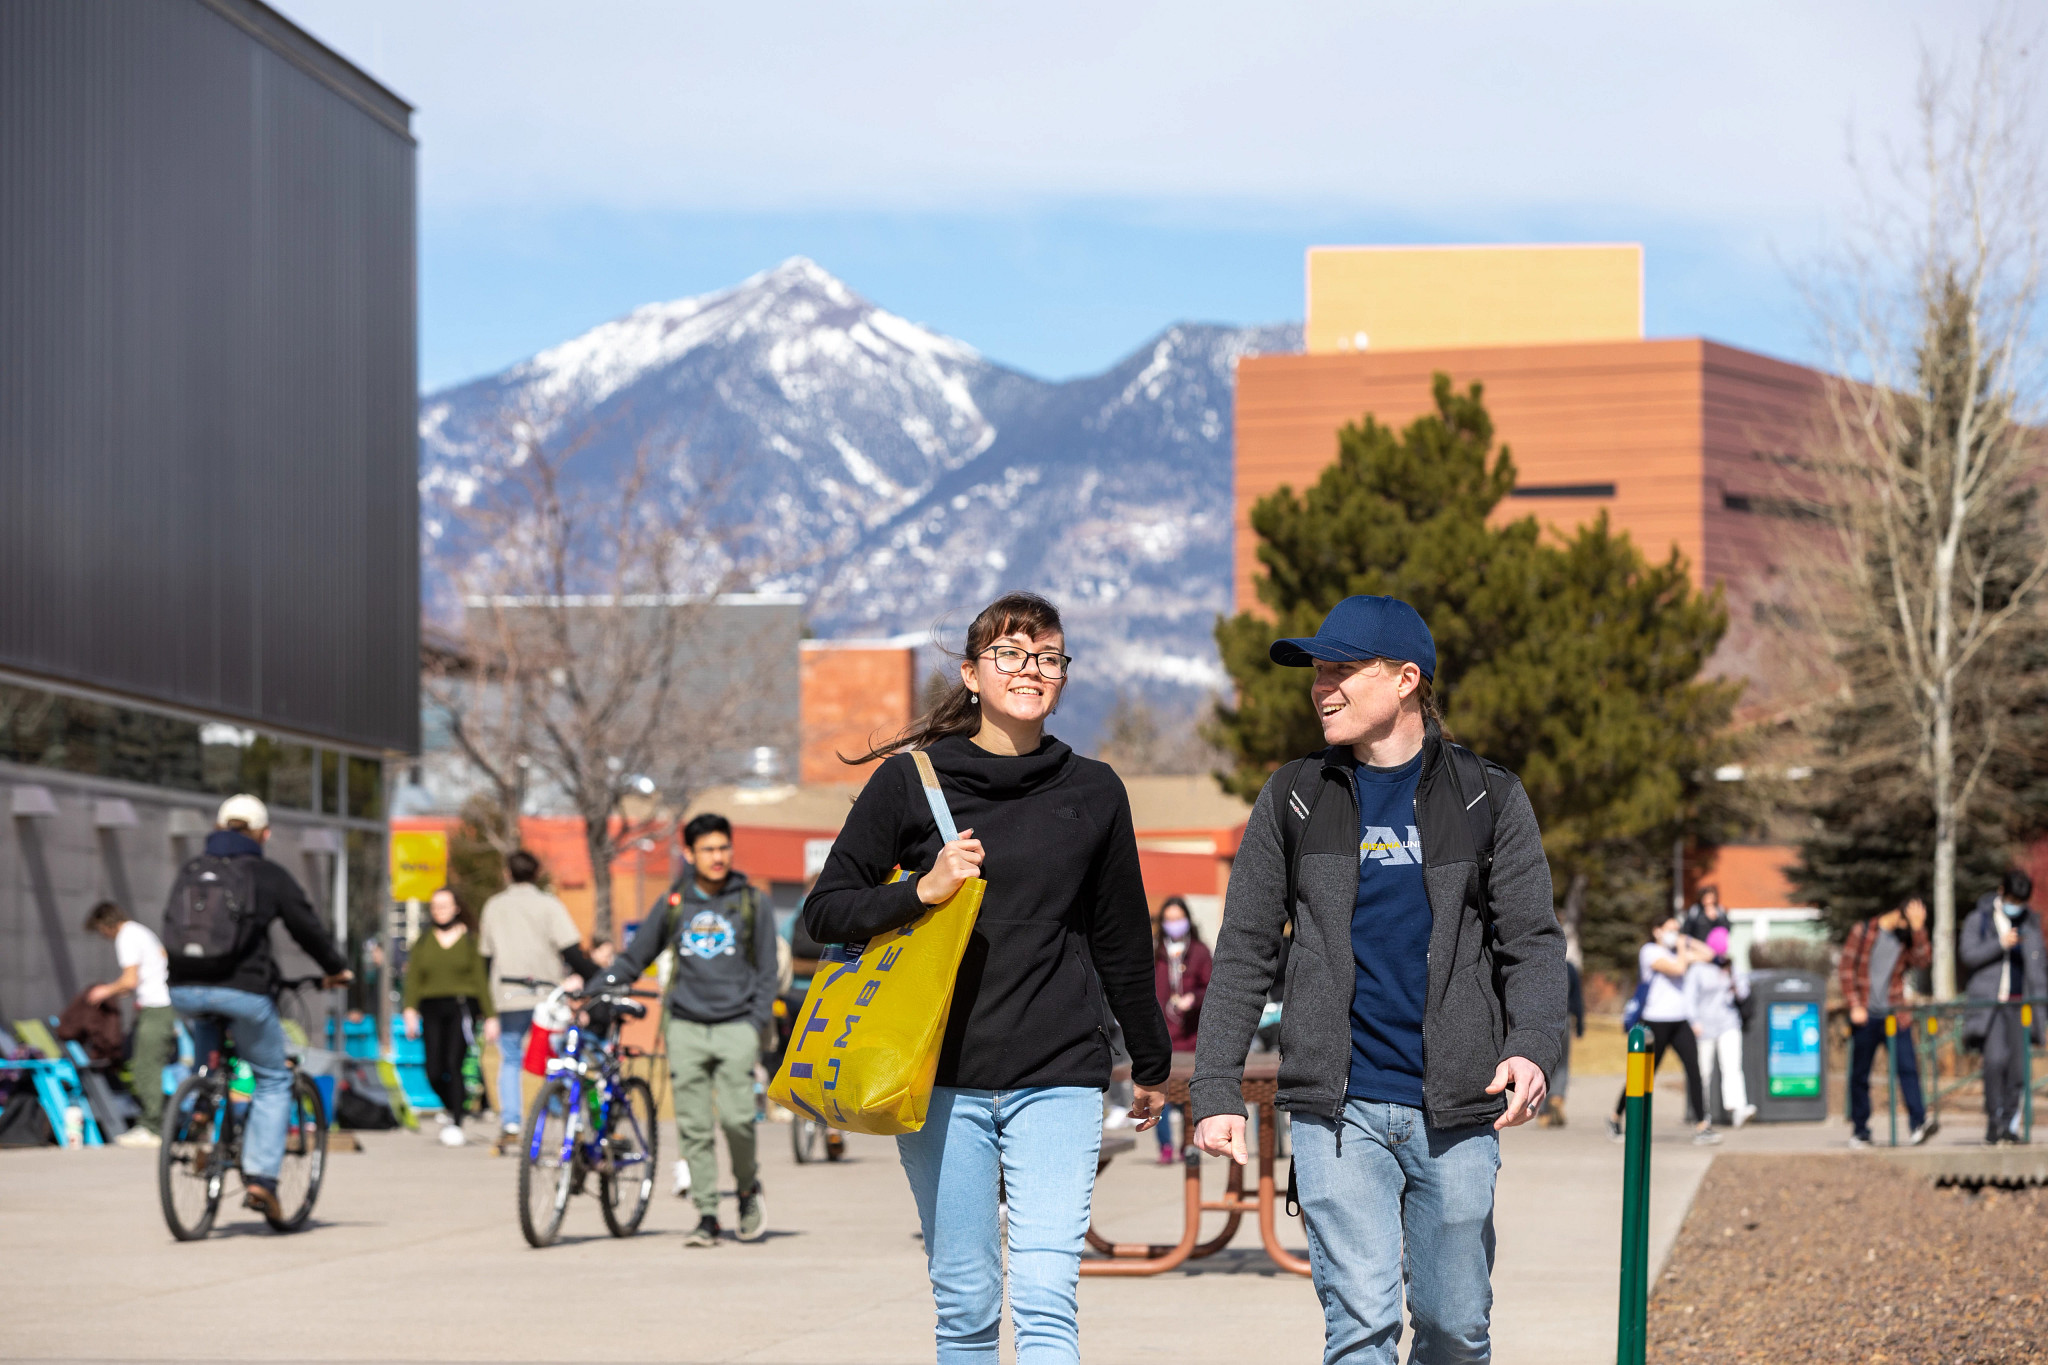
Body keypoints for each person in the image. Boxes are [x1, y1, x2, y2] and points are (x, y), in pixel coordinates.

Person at [1189, 594, 1567, 1365]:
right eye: (1316, 670)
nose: (1320, 685)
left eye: (1339, 668)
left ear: (1404, 679)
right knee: (1358, 1326)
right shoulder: (1294, 795)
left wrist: (1532, 1046)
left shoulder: (1488, 795)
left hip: (1459, 1105)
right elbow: (1245, 950)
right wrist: (1216, 1088)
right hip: (1336, 1110)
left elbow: (1531, 940)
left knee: (1455, 1328)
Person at [805, 591, 1171, 1364]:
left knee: (1045, 1300)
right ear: (972, 673)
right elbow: (825, 910)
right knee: (967, 1303)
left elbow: (1119, 936)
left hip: (1060, 1072)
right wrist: (920, 890)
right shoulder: (912, 783)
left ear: (1063, 675)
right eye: (1009, 654)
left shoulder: (1094, 789)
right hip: (941, 1076)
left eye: (1047, 657)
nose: (1029, 669)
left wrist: (1151, 1058)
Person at [164, 795, 351, 1221]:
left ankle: (203, 1118)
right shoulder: (266, 873)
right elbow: (307, 928)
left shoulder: (193, 870)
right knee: (271, 1078)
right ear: (264, 834)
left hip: (186, 990)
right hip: (242, 993)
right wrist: (337, 968)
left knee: (209, 1069)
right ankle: (261, 1181)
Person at [604, 813, 780, 1248]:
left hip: (736, 1025)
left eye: (723, 848)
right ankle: (706, 1214)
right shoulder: (674, 902)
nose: (717, 857)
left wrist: (756, 1021)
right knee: (694, 1128)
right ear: (689, 854)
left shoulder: (751, 902)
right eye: (708, 850)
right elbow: (636, 956)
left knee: (739, 1120)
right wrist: (601, 984)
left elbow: (767, 970)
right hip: (684, 1027)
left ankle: (746, 1190)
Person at [478, 849, 601, 1156]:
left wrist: (483, 1003)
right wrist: (600, 975)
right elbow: (571, 950)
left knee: (510, 1058)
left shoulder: (494, 906)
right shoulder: (548, 905)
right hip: (546, 993)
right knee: (557, 1056)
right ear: (536, 874)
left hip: (507, 992)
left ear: (507, 873)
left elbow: (485, 956)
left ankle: (511, 1123)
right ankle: (567, 1117)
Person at [1608, 915, 1720, 1146]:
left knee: (1694, 1071)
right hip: (1655, 1022)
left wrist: (1687, 939)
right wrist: (1682, 948)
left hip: (1680, 1021)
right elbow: (1678, 969)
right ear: (1657, 931)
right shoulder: (1650, 952)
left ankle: (1702, 1125)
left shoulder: (1676, 950)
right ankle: (1616, 1116)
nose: (1674, 934)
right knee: (1644, 1074)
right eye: (1670, 930)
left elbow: (1710, 955)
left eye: (1677, 930)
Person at [1839, 896, 1937, 1148]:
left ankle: (1918, 1124)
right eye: (1910, 922)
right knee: (1860, 1074)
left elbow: (1924, 961)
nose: (1910, 927)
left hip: (1896, 1014)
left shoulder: (1906, 938)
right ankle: (1860, 1129)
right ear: (1898, 914)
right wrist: (1854, 1005)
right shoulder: (1863, 932)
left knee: (1908, 1069)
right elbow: (1846, 969)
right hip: (1866, 1014)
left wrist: (1918, 929)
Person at [402, 888, 496, 1147]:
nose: (439, 911)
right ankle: (453, 1105)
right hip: (431, 1008)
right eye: (434, 907)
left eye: (444, 906)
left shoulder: (469, 941)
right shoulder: (423, 941)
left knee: (454, 1063)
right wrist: (409, 1010)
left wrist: (490, 1016)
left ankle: (456, 1120)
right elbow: (413, 980)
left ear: (456, 908)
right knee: (433, 1069)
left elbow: (480, 981)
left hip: (461, 1007)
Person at [1960, 869, 2045, 1145]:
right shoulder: (1980, 919)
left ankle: (2010, 1123)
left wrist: (2043, 1016)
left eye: (2020, 902)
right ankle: (1993, 1122)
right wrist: (2000, 944)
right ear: (2001, 892)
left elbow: (2040, 971)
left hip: (2022, 1006)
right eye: (2012, 899)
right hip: (1992, 1005)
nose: (2016, 906)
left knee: (2019, 1069)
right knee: (1995, 1062)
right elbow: (1968, 955)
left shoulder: (2031, 923)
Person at [83, 901, 175, 1149]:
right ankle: (152, 1124)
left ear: (105, 924)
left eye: (101, 930)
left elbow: (130, 979)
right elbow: (162, 961)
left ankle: (152, 1127)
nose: (103, 936)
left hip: (156, 1008)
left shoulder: (126, 936)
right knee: (145, 1063)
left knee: (145, 1067)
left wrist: (105, 991)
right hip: (161, 1006)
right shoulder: (142, 931)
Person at [1152, 896, 1211, 1163]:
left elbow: (1210, 987)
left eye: (1179, 918)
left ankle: (1188, 1145)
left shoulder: (1198, 951)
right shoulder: (1155, 952)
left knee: (1188, 1094)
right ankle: (1165, 1145)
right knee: (1158, 1094)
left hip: (1191, 1036)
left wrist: (1193, 999)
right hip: (1162, 1035)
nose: (1174, 924)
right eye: (1169, 919)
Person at [1686, 926, 1755, 1130]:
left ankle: (1737, 1109)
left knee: (1732, 1067)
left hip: (1728, 1022)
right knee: (1703, 1071)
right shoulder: (1698, 969)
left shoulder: (1731, 966)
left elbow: (1742, 993)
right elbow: (1689, 998)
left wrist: (1733, 977)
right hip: (1704, 1026)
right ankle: (1702, 1113)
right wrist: (1694, 1021)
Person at [1540, 959, 1585, 1128]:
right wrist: (1580, 1025)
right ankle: (1557, 1098)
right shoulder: (1569, 967)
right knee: (1563, 1063)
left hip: (1540, 1021)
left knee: (1543, 1064)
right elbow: (1577, 998)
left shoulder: (1539, 962)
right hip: (1564, 1019)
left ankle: (1544, 1111)